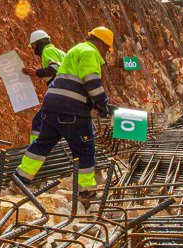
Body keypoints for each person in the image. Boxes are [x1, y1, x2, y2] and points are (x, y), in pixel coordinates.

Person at [14, 26, 116, 201]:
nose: (105, 52)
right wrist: (103, 104)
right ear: (99, 42)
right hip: (72, 109)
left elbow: (74, 81)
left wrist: (95, 104)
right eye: (106, 48)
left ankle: (20, 180)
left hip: (52, 104)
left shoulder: (75, 50)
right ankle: (86, 192)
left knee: (43, 143)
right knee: (84, 149)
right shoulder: (89, 52)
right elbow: (90, 81)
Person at [22, 30, 66, 143]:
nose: (33, 49)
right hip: (68, 93)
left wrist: (36, 72)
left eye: (34, 45)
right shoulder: (60, 52)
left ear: (40, 43)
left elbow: (54, 68)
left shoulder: (48, 50)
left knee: (38, 121)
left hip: (59, 94)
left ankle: (34, 149)